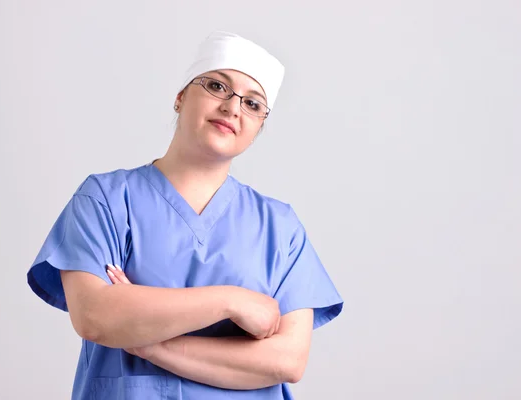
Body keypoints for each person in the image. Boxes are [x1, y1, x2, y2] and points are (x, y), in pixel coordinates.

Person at [27, 30, 343, 400]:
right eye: (216, 86)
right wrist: (233, 301)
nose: (232, 108)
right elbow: (95, 316)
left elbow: (286, 361)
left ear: (258, 128)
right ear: (180, 97)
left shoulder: (279, 227)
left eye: (253, 104)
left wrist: (149, 344)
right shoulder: (107, 200)